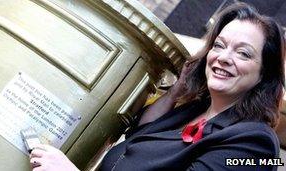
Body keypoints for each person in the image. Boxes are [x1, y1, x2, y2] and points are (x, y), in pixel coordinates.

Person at [29, 2, 285, 171]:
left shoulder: (256, 144)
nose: (224, 57)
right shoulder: (195, 109)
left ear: (264, 73)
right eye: (219, 45)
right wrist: (176, 92)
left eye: (243, 53)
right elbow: (141, 135)